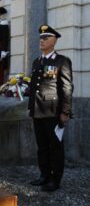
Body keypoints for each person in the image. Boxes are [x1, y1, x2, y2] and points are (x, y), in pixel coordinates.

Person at [28, 24, 73, 193]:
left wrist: (65, 111)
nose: (42, 40)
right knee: (42, 146)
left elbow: (66, 88)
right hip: (37, 110)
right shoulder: (37, 61)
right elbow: (35, 86)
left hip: (53, 111)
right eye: (40, 37)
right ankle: (44, 175)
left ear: (53, 41)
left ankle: (55, 179)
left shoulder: (62, 61)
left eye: (45, 38)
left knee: (55, 147)